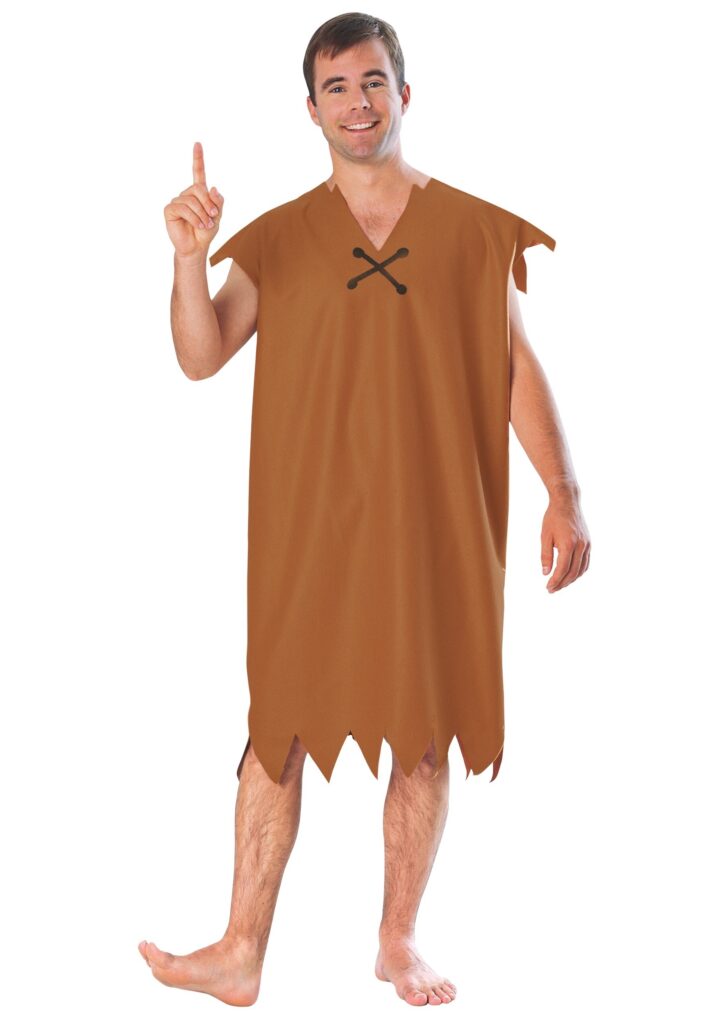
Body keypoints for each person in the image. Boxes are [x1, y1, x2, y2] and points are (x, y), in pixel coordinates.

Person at [139, 11, 590, 1008]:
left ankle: (397, 937)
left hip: (435, 524)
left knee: (424, 727)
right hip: (308, 531)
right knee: (277, 728)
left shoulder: (471, 231)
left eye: (373, 81)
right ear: (310, 109)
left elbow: (514, 367)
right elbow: (202, 356)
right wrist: (187, 259)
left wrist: (563, 494)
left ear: (404, 93)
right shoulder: (277, 240)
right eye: (336, 87)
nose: (357, 103)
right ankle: (240, 949)